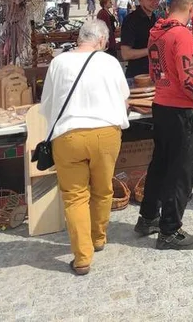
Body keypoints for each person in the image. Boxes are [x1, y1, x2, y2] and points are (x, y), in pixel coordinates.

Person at [39, 19, 129, 275]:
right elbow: (124, 99)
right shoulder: (109, 62)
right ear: (101, 40)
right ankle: (98, 238)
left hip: (69, 135)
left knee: (75, 196)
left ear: (80, 38)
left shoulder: (58, 62)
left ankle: (82, 258)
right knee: (103, 189)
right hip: (105, 133)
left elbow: (46, 105)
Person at [136, 0, 193, 251]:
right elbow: (189, 76)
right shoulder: (181, 34)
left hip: (161, 103)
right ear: (191, 8)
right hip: (180, 107)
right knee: (181, 171)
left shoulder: (157, 31)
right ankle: (169, 229)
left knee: (160, 164)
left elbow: (155, 70)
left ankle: (147, 217)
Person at [121, 0, 161, 80]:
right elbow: (125, 54)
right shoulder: (131, 20)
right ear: (140, 0)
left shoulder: (155, 18)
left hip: (154, 74)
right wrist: (151, 50)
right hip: (137, 77)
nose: (154, 3)